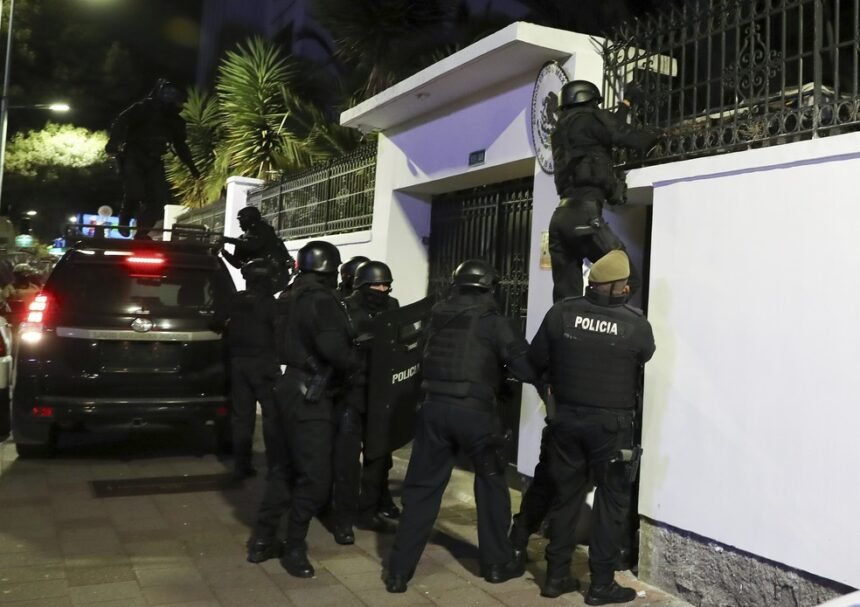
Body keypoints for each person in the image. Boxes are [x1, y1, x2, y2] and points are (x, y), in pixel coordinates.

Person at [384, 259, 541, 593]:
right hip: (475, 415)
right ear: (489, 287)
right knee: (491, 484)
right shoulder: (492, 320)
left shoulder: (437, 313)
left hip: (434, 410)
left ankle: (398, 572)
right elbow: (527, 369)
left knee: (422, 491)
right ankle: (497, 566)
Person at [528, 250, 655, 603]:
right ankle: (600, 585)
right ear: (618, 286)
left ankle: (555, 577)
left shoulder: (562, 312)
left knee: (566, 496)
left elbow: (536, 358)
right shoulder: (635, 324)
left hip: (565, 421)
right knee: (610, 503)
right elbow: (645, 354)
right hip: (611, 427)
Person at [255, 240, 357, 578]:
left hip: (282, 389)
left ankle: (262, 540)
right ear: (331, 270)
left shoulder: (287, 296)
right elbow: (335, 350)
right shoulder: (322, 300)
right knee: (314, 478)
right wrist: (354, 360)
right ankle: (294, 547)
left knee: (282, 469)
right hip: (309, 395)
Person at [548, 80, 661, 302]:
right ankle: (596, 327)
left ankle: (571, 328)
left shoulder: (561, 131)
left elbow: (604, 134)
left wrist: (626, 105)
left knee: (565, 297)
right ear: (591, 100)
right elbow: (624, 135)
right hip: (585, 218)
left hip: (561, 218)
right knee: (627, 280)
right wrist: (655, 137)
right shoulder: (590, 118)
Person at [334, 261, 401, 543]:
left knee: (377, 461)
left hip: (380, 393)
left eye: (386, 285)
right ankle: (342, 521)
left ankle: (368, 512)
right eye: (377, 285)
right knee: (347, 463)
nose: (382, 290)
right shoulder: (345, 307)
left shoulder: (392, 305)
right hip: (352, 393)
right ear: (362, 286)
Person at [105, 79, 200, 239]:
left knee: (157, 199)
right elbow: (121, 121)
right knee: (135, 192)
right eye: (178, 102)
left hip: (155, 160)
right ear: (169, 99)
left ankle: (142, 233)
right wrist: (113, 144)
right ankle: (124, 220)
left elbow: (180, 145)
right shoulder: (144, 108)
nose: (180, 107)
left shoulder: (176, 122)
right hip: (134, 154)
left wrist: (192, 167)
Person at [223, 259, 280, 480]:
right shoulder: (270, 303)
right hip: (264, 365)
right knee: (272, 417)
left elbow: (216, 321)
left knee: (242, 417)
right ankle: (275, 466)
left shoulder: (235, 300)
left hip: (238, 364)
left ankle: (241, 466)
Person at [214, 207, 293, 292]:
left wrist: (228, 240)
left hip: (274, 278)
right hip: (255, 284)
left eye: (241, 221)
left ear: (249, 219)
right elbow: (237, 263)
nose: (239, 225)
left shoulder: (265, 232)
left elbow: (254, 244)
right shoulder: (241, 239)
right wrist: (224, 252)